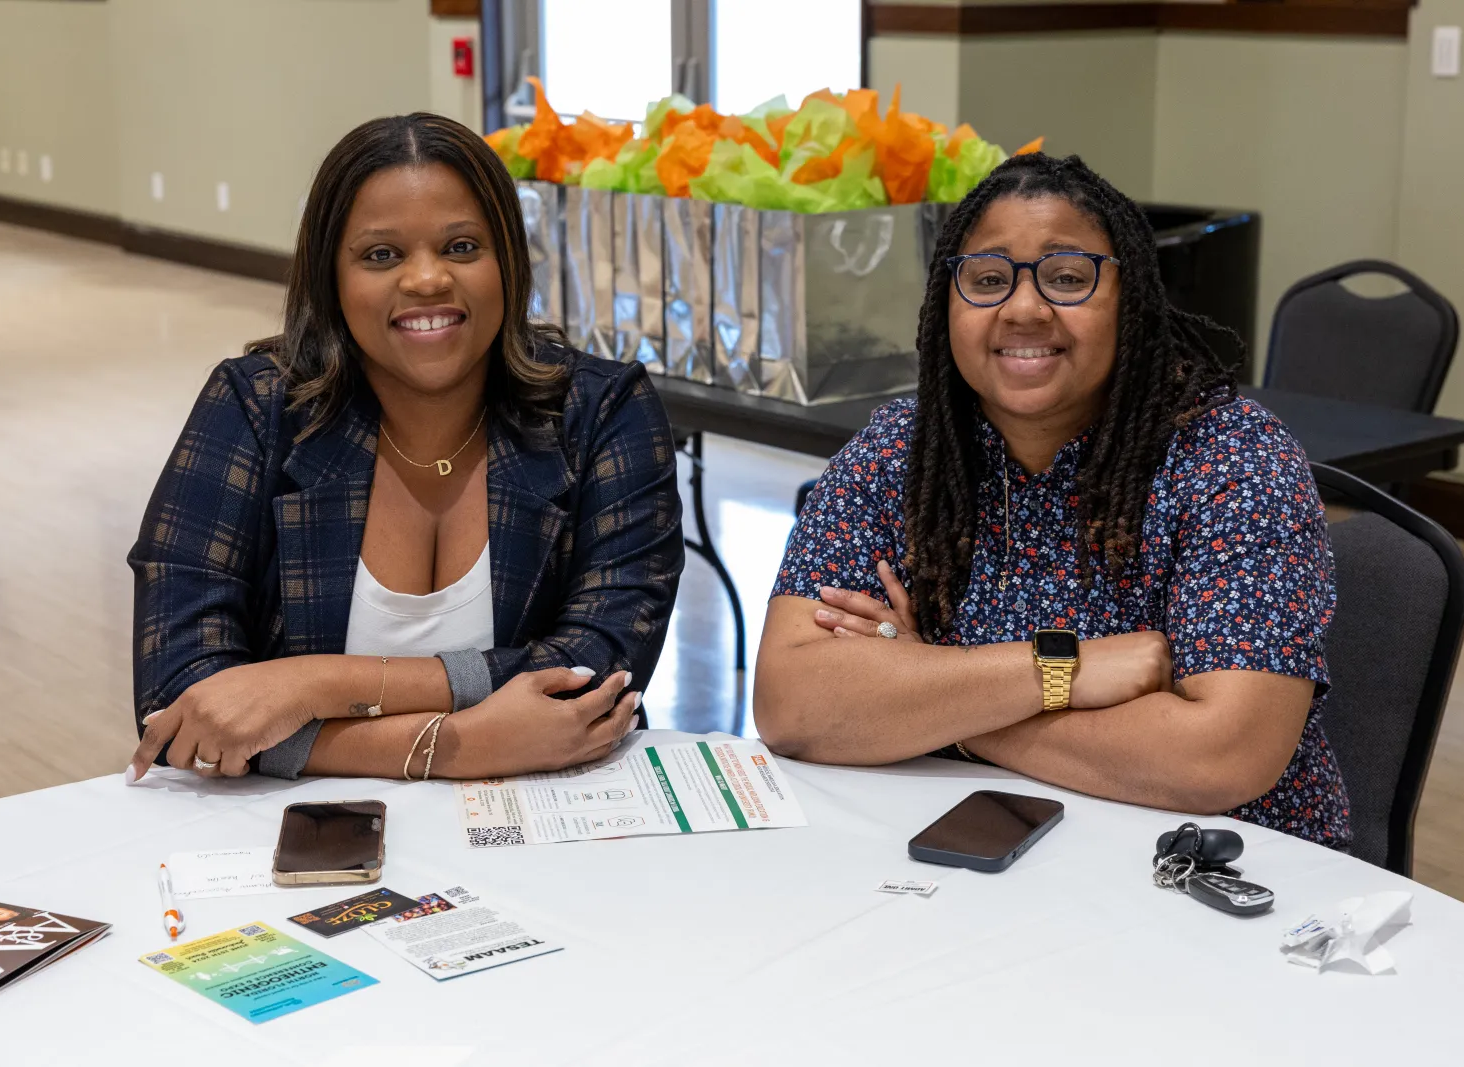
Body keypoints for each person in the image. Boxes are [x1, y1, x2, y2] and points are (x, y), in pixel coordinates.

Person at [756, 153, 1350, 848]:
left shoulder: (1232, 461)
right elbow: (790, 700)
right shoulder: (900, 451)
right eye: (987, 279)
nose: (1025, 308)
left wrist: (931, 691)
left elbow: (1221, 755)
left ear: (1130, 299)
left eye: (1068, 277)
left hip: (1216, 870)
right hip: (976, 850)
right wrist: (1064, 667)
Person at [126, 113, 683, 784]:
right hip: (299, 836)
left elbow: (597, 672)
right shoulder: (255, 408)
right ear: (331, 275)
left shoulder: (603, 411)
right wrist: (459, 746)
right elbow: (180, 696)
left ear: (507, 258)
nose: (427, 280)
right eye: (381, 255)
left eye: (462, 247)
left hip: (556, 831)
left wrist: (313, 684)